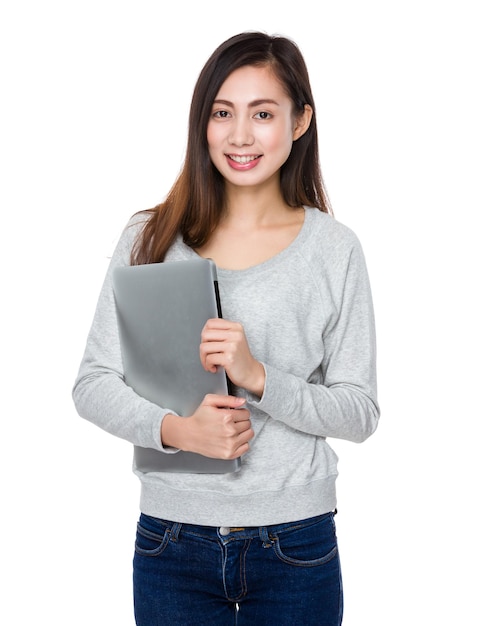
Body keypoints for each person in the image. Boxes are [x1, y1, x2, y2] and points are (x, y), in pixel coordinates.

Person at [73, 31, 379, 626]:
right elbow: (92, 384)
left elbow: (359, 412)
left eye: (262, 113)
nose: (240, 135)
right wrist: (176, 431)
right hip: (171, 542)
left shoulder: (334, 250)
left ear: (299, 122)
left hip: (296, 545)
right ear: (202, 123)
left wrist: (260, 376)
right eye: (222, 113)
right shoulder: (149, 237)